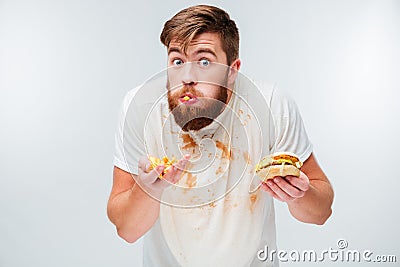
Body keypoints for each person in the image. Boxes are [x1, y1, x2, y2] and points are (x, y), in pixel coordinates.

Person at [107, 4, 333, 267]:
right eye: (177, 61)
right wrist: (147, 190)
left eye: (204, 61)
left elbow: (321, 213)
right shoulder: (141, 107)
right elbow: (127, 230)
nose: (187, 77)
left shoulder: (271, 105)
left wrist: (298, 194)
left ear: (232, 70)